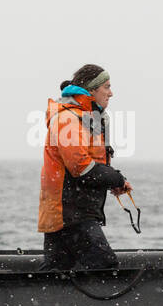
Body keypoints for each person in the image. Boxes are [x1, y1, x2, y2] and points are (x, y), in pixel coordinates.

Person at [37, 64, 132, 270]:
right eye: (106, 87)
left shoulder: (88, 118)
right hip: (71, 216)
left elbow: (91, 165)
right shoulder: (68, 118)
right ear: (92, 89)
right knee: (104, 267)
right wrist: (116, 179)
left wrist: (111, 181)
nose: (111, 93)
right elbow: (81, 168)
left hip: (71, 214)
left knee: (60, 274)